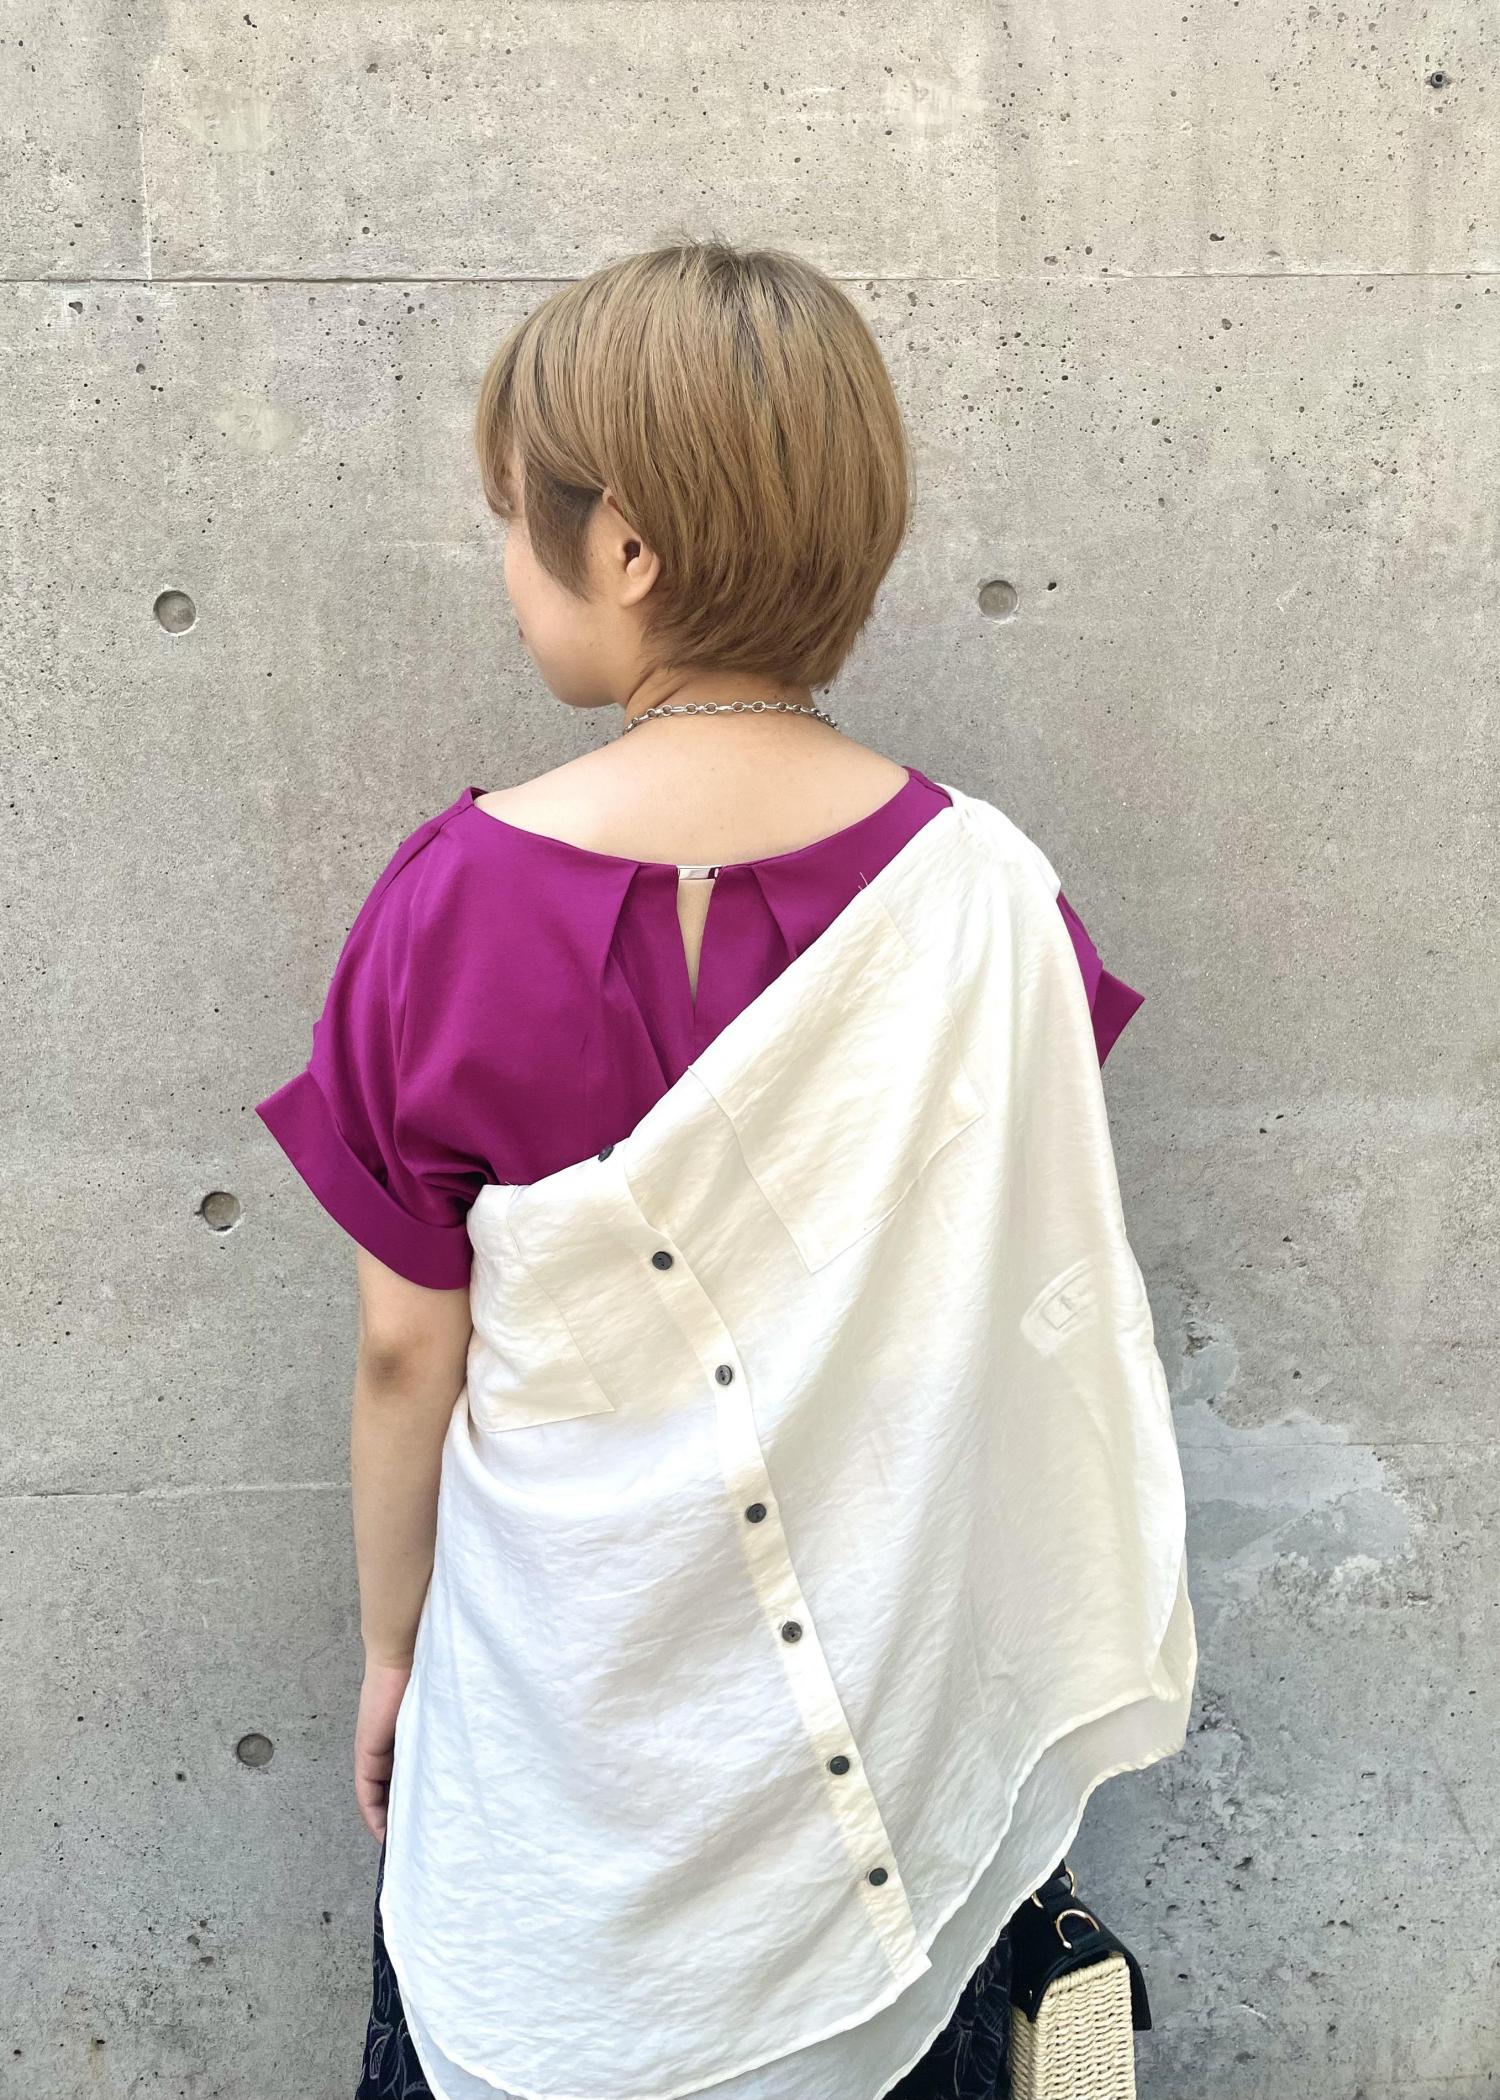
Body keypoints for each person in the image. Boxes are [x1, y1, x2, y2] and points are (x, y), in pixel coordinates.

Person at [255, 234, 1194, 2100]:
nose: (503, 564)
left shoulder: (450, 906)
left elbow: (405, 1350)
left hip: (559, 1717)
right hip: (879, 1753)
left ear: (623, 550)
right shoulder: (985, 899)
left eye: (513, 520)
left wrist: (393, 1655)